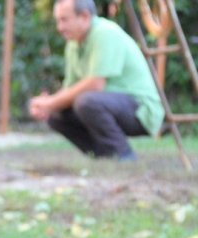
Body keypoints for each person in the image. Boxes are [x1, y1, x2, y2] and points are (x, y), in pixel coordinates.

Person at [29, 0, 164, 161]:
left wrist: (50, 102)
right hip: (107, 105)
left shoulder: (105, 33)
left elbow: (95, 84)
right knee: (57, 112)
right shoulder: (74, 44)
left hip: (141, 110)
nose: (60, 27)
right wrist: (47, 106)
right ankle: (102, 156)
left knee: (86, 101)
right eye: (58, 20)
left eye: (64, 20)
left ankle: (124, 155)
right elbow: (69, 89)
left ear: (85, 16)